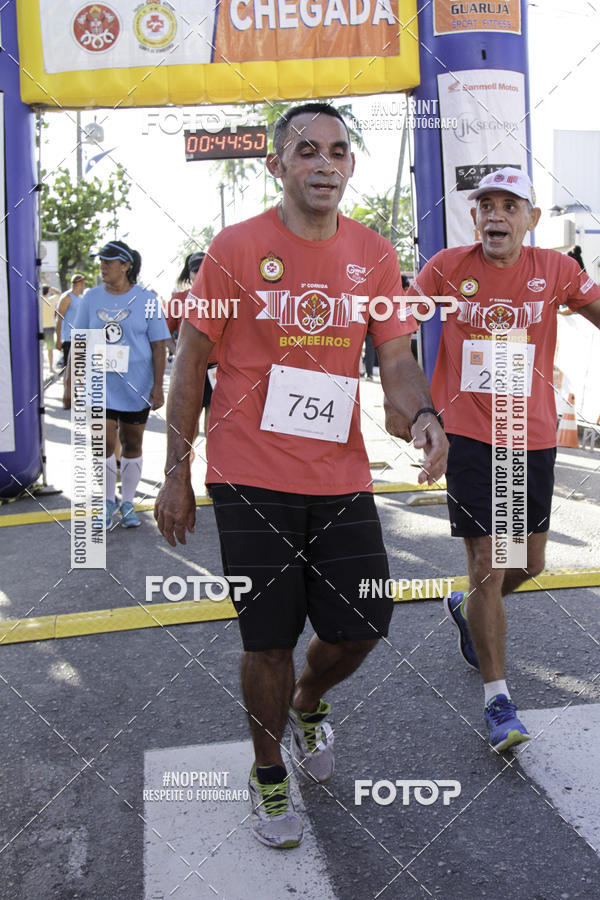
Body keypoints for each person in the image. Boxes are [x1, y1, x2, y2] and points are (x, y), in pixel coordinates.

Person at [154, 103, 447, 848]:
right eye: (307, 150)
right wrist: (177, 472)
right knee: (268, 641)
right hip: (249, 474)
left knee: (363, 624)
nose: (324, 163)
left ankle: (309, 702)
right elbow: (190, 362)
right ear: (277, 166)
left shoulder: (376, 256)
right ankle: (268, 773)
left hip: (340, 472)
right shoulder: (234, 248)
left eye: (338, 152)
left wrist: (421, 418)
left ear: (350, 167)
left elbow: (396, 359)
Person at [401, 167, 600, 751]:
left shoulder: (558, 270)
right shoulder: (446, 267)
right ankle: (498, 702)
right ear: (474, 217)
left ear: (531, 220)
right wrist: (408, 403)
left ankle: (467, 608)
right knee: (487, 562)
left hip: (529, 433)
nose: (496, 215)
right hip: (467, 432)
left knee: (530, 562)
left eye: (510, 206)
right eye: (486, 205)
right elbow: (393, 324)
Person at [73, 240, 170, 528]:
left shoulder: (147, 300)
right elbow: (80, 340)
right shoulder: (91, 298)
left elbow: (158, 345)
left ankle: (127, 502)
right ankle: (106, 501)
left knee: (132, 443)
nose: (102, 266)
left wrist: (157, 387)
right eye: (101, 261)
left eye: (109, 261)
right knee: (102, 441)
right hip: (99, 384)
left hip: (136, 385)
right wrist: (75, 381)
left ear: (126, 265)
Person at [164, 250, 214, 435]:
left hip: (217, 371)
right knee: (187, 433)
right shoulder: (178, 300)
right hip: (188, 369)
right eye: (195, 269)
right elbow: (163, 334)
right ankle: (186, 462)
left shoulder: (223, 297)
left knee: (213, 430)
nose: (200, 273)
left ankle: (211, 464)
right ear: (189, 273)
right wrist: (178, 352)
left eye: (204, 268)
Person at [56, 273, 87, 408]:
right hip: (69, 338)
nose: (84, 285)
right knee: (69, 370)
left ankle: (78, 396)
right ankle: (67, 399)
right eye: (83, 283)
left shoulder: (80, 298)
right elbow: (59, 319)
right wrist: (58, 339)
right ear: (79, 283)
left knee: (80, 370)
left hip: (80, 337)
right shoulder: (67, 297)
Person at [40, 283, 60, 372]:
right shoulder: (51, 300)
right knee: (50, 348)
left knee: (40, 348)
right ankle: (51, 367)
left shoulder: (39, 301)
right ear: (48, 292)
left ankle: (40, 367)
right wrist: (51, 288)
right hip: (50, 327)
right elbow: (59, 294)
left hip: (40, 327)